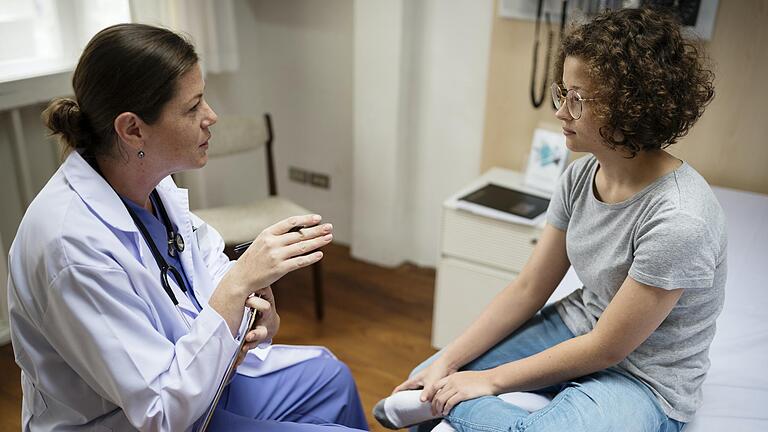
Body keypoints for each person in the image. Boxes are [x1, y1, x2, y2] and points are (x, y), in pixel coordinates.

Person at [374, 7, 723, 432]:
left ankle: (446, 409)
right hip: (576, 326)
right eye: (563, 93)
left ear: (631, 107)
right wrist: (448, 360)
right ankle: (441, 403)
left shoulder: (681, 220)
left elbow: (608, 348)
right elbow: (528, 288)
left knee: (459, 402)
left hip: (644, 378)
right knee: (430, 374)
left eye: (578, 100)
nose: (561, 112)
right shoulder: (579, 176)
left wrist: (487, 381)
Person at [7, 23, 368, 432]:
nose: (211, 117)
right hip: (133, 420)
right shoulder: (70, 248)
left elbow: (206, 266)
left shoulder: (151, 183)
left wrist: (256, 313)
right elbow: (160, 412)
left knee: (331, 380)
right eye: (193, 106)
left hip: (199, 381)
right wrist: (240, 282)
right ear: (132, 129)